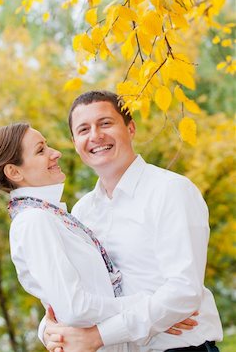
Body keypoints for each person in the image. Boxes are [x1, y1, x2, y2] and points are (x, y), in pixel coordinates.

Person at [0, 122, 192, 352]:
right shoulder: (34, 222)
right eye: (41, 150)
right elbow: (74, 308)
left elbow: (64, 303)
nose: (55, 153)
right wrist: (150, 307)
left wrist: (156, 314)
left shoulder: (57, 217)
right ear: (14, 171)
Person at [43, 90, 222, 352]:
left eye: (105, 123)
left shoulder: (171, 191)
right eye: (83, 129)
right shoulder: (82, 213)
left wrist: (101, 335)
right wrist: (48, 331)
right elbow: (75, 291)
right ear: (75, 142)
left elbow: (183, 291)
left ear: (131, 128)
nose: (95, 135)